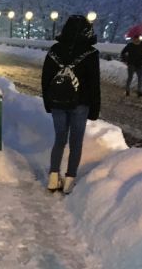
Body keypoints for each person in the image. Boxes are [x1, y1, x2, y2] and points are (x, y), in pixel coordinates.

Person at [41, 15, 101, 194]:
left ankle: (53, 177)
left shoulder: (54, 50)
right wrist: (94, 109)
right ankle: (69, 180)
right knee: (76, 142)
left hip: (58, 103)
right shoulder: (91, 54)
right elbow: (94, 84)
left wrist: (48, 103)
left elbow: (45, 78)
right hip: (81, 104)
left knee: (59, 139)